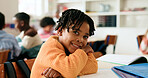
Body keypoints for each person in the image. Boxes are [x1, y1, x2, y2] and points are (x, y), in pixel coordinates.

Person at [31, 9, 98, 78]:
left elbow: (93, 66)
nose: (81, 40)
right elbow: (70, 71)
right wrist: (82, 52)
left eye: (85, 36)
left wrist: (63, 72)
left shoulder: (74, 48)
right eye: (76, 32)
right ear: (60, 31)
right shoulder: (50, 47)